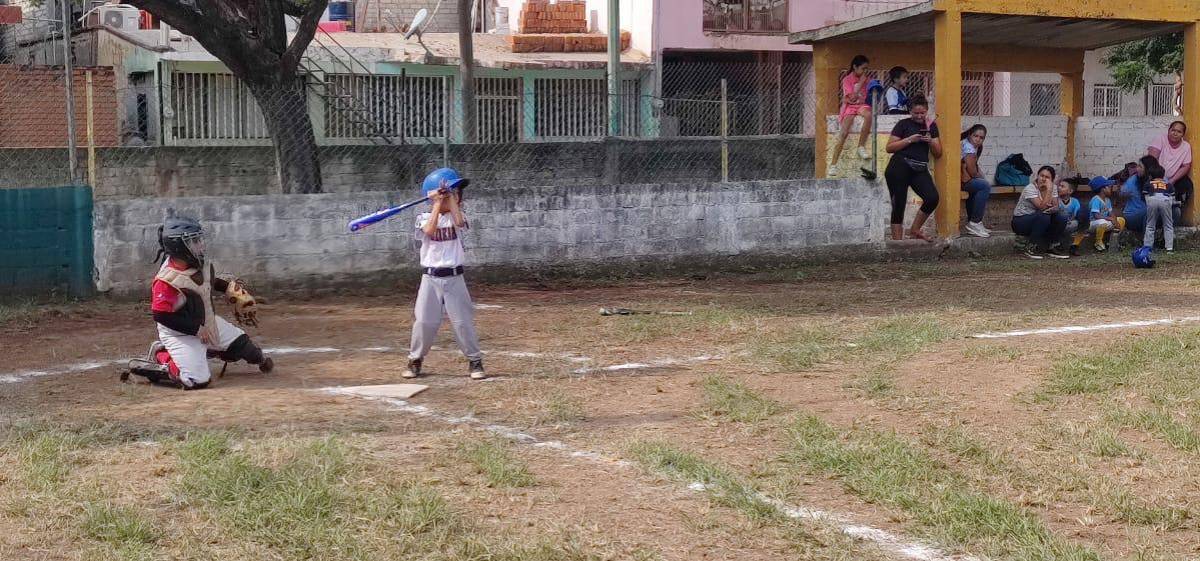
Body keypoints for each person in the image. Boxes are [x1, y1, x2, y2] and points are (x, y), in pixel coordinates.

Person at [124, 217, 273, 389]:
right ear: (178, 246)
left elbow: (207, 280)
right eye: (194, 241)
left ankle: (206, 349)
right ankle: (162, 354)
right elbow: (161, 315)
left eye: (199, 239)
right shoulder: (167, 280)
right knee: (196, 380)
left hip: (205, 321)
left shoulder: (197, 262)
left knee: (245, 348)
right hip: (179, 332)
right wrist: (196, 329)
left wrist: (228, 288)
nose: (201, 245)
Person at [402, 168, 486, 381]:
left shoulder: (459, 216)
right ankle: (415, 360)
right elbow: (429, 231)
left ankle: (475, 360)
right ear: (432, 195)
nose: (455, 196)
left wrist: (449, 201)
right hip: (429, 278)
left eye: (456, 193)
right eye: (452, 192)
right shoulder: (423, 217)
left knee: (462, 322)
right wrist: (438, 203)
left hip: (454, 277)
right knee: (424, 322)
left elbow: (458, 223)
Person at [884, 95, 942, 242]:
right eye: (916, 113)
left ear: (927, 111)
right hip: (899, 167)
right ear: (910, 111)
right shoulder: (903, 124)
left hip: (919, 168)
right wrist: (910, 139)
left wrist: (930, 141)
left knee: (932, 198)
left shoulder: (931, 126)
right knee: (899, 205)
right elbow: (889, 148)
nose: (919, 116)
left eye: (922, 113)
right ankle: (898, 244)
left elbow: (938, 153)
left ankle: (915, 229)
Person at [1011, 165, 1070, 259]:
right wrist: (1049, 190)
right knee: (1044, 215)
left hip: (1041, 220)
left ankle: (1052, 246)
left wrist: (1050, 192)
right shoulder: (1030, 188)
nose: (1043, 179)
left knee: (1062, 215)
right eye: (1041, 176)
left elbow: (1055, 206)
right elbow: (1042, 207)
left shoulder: (1053, 187)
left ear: (1052, 179)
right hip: (1021, 221)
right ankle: (1030, 247)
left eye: (1047, 177)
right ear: (1037, 176)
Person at [829, 55, 873, 176]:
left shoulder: (868, 79)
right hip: (849, 107)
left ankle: (861, 146)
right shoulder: (847, 79)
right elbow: (852, 96)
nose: (865, 71)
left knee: (869, 115)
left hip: (861, 105)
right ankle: (833, 165)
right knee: (843, 133)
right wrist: (861, 82)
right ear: (855, 67)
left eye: (866, 69)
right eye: (863, 68)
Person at [1147, 121, 1192, 222]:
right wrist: (1158, 178)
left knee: (1186, 184)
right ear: (1169, 130)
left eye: (1179, 132)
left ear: (1183, 134)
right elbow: (1151, 160)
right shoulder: (1161, 139)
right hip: (1154, 177)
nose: (1175, 133)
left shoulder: (1186, 147)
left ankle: (1175, 213)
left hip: (1170, 180)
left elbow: (1186, 166)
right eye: (1173, 130)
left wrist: (1173, 180)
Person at [960, 124, 992, 238]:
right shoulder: (968, 147)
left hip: (963, 179)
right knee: (984, 186)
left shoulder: (973, 146)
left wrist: (981, 177)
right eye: (975, 136)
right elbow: (973, 172)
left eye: (981, 137)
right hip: (960, 180)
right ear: (970, 135)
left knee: (978, 187)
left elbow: (974, 167)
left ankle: (972, 223)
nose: (978, 139)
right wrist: (983, 179)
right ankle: (975, 222)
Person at [1142, 160, 1175, 252]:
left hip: (1152, 199)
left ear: (1151, 176)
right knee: (1168, 225)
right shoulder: (1168, 184)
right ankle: (1169, 248)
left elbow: (1146, 196)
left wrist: (1150, 205)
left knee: (1150, 225)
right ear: (1163, 175)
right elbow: (1172, 197)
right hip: (1165, 199)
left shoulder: (1148, 183)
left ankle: (1147, 247)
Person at [1087, 176, 1125, 252]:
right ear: (1103, 189)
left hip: (1105, 222)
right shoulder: (1096, 199)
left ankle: (1112, 241)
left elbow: (1111, 213)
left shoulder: (1107, 200)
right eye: (1109, 187)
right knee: (1102, 222)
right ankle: (1098, 242)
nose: (1111, 188)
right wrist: (1110, 219)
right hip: (1094, 224)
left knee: (1121, 220)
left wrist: (1115, 220)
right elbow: (1096, 215)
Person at [1119, 157, 1152, 235]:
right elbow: (1122, 193)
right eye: (1138, 166)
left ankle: (1167, 241)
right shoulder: (1134, 179)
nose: (1137, 169)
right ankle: (1147, 243)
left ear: (1148, 169)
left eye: (1140, 166)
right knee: (1151, 210)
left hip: (1150, 216)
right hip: (1132, 217)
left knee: (1175, 211)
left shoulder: (1158, 179)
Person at [1057, 180, 1085, 256]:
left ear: (1070, 191)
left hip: (1070, 223)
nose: (1059, 188)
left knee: (1083, 217)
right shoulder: (1056, 200)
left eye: (1062, 186)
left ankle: (1075, 245)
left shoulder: (1075, 201)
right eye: (1059, 186)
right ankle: (1057, 245)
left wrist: (1071, 220)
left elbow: (1077, 213)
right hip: (1058, 224)